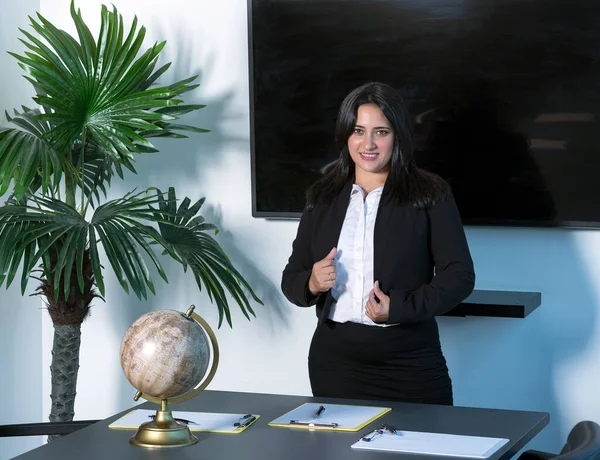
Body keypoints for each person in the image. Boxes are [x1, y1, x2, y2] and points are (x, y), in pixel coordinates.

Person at [281, 82, 475, 405]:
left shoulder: (430, 194)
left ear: (397, 135)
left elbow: (460, 276)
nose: (368, 143)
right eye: (358, 130)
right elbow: (292, 278)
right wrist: (312, 282)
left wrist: (398, 308)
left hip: (411, 362)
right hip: (335, 364)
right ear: (346, 134)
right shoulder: (322, 197)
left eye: (380, 132)